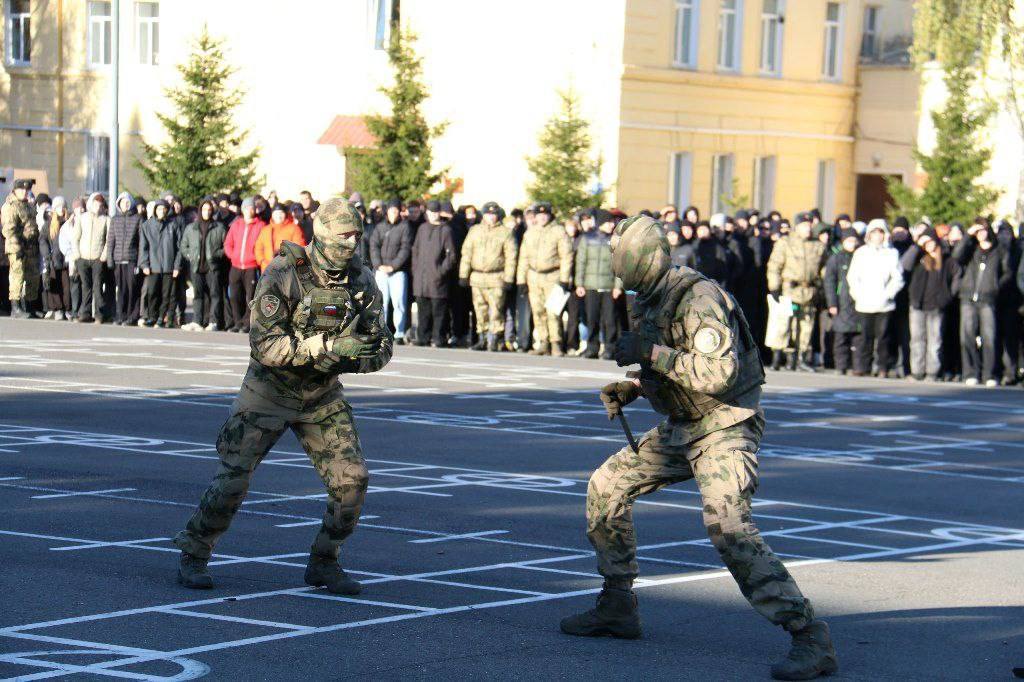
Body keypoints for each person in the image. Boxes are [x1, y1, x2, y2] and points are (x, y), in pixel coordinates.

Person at [560, 215, 836, 681]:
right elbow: (676, 371)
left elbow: (718, 375)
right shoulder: (651, 299)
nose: (617, 268)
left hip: (725, 426)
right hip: (685, 425)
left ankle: (809, 635)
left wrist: (650, 356)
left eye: (621, 259)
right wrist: (637, 388)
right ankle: (617, 604)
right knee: (606, 485)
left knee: (729, 527)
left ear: (642, 259)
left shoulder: (698, 298)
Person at [174, 198, 391, 594]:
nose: (351, 243)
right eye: (344, 235)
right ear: (323, 234)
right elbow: (266, 346)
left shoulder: (361, 280)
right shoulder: (284, 271)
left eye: (356, 235)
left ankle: (325, 560)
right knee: (232, 479)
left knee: (352, 481)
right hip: (268, 391)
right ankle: (194, 551)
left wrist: (358, 357)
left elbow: (381, 344)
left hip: (321, 394)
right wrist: (326, 347)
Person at [953, 218, 1012, 386]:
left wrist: (995, 288)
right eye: (978, 230)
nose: (981, 233)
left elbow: (1007, 273)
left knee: (989, 336)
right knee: (967, 336)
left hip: (988, 298)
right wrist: (968, 235)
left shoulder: (999, 250)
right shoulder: (971, 248)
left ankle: (990, 373)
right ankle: (971, 372)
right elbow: (957, 256)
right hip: (968, 297)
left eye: (983, 229)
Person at [766, 212, 828, 371]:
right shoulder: (785, 242)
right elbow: (774, 266)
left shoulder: (818, 245)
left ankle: (801, 358)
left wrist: (822, 288)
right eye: (805, 225)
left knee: (806, 325)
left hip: (808, 290)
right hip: (788, 289)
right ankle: (779, 357)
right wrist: (774, 287)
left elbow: (824, 268)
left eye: (810, 225)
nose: (808, 228)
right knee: (784, 324)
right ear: (797, 226)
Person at [846, 219, 903, 377]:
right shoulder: (861, 252)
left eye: (880, 232)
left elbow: (897, 277)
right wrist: (857, 294)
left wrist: (888, 294)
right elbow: (852, 276)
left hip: (885, 303)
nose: (877, 235)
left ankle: (882, 366)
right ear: (869, 235)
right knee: (865, 336)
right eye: (874, 232)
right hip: (864, 301)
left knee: (883, 337)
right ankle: (863, 365)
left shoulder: (892, 253)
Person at [459, 201, 518, 351]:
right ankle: (482, 337)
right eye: (488, 214)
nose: (491, 217)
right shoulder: (475, 230)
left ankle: (495, 338)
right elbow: (467, 253)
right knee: (480, 310)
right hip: (477, 276)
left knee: (496, 309)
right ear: (483, 215)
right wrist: (464, 274)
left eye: (494, 214)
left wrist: (509, 278)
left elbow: (511, 257)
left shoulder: (505, 232)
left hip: (497, 277)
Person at [515, 202, 573, 356]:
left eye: (544, 214)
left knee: (553, 311)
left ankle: (556, 343)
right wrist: (521, 280)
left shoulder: (558, 231)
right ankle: (543, 342)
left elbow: (566, 256)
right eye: (539, 215)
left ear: (549, 215)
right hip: (533, 276)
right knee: (538, 311)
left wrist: (564, 279)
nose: (542, 217)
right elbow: (523, 258)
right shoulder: (530, 232)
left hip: (552, 275)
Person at [901, 229, 957, 381]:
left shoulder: (946, 260)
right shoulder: (919, 256)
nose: (928, 245)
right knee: (917, 340)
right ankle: (917, 371)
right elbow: (904, 264)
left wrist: (947, 298)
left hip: (937, 306)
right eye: (925, 242)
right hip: (917, 305)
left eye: (931, 241)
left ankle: (932, 371)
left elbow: (956, 279)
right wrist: (917, 246)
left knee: (935, 341)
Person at [574, 209, 623, 359]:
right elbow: (581, 262)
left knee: (609, 319)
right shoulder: (587, 239)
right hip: (591, 286)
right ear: (601, 223)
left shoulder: (615, 240)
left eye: (612, 222)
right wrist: (579, 284)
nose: (611, 224)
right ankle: (592, 347)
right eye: (609, 222)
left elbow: (619, 265)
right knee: (592, 318)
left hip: (609, 286)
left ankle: (609, 348)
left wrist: (617, 286)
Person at [411, 200, 457, 347]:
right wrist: (415, 269)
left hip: (437, 279)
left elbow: (451, 256)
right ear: (427, 213)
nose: (433, 215)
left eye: (436, 212)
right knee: (423, 310)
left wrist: (440, 271)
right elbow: (415, 251)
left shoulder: (446, 230)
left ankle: (438, 338)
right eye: (431, 212)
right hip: (421, 278)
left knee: (439, 311)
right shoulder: (422, 229)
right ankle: (423, 337)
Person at [178, 199, 228, 331]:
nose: (207, 212)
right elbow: (183, 246)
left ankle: (213, 321)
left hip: (212, 267)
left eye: (209, 210)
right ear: (200, 211)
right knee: (198, 296)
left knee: (215, 295)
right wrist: (190, 255)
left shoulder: (219, 227)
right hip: (196, 267)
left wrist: (217, 254)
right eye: (204, 209)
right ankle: (197, 321)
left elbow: (226, 247)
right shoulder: (191, 227)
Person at [369, 199, 412, 344]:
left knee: (399, 303)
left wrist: (393, 266)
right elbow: (374, 247)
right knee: (381, 303)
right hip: (381, 271)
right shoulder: (380, 227)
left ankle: (399, 333)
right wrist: (379, 265)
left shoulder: (405, 227)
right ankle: (382, 331)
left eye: (396, 210)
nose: (393, 213)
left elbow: (405, 249)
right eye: (391, 210)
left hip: (397, 272)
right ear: (387, 211)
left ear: (399, 212)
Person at [223, 198, 266, 333]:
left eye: (251, 208)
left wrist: (255, 258)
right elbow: (228, 243)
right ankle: (237, 322)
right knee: (235, 295)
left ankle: (247, 323)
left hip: (251, 266)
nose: (249, 210)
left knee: (250, 296)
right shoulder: (236, 224)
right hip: (236, 265)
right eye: (246, 208)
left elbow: (261, 245)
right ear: (242, 209)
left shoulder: (261, 225)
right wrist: (233, 256)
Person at [823, 228, 862, 375]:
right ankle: (841, 366)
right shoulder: (836, 259)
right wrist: (832, 303)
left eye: (854, 240)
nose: (852, 243)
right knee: (841, 337)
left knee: (858, 337)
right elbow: (829, 282)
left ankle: (857, 366)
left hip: (858, 302)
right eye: (849, 240)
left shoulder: (861, 256)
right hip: (841, 302)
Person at [1, 179, 41, 319]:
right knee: (17, 275)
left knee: (32, 276)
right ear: (15, 190)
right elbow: (8, 230)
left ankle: (30, 306)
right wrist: (17, 246)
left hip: (30, 246)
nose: (25, 192)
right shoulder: (10, 206)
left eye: (27, 190)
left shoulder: (27, 205)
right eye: (22, 189)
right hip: (17, 246)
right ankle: (15, 307)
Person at [138, 200, 181, 328]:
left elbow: (179, 248)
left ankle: (161, 318)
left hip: (169, 266)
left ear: (167, 210)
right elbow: (143, 247)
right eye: (159, 209)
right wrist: (144, 264)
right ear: (155, 210)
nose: (161, 212)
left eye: (164, 209)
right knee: (152, 293)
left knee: (166, 294)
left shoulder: (173, 225)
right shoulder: (147, 225)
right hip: (153, 266)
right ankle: (152, 316)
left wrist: (177, 266)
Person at [70, 193, 110, 324]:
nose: (98, 207)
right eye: (95, 204)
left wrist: (104, 254)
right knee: (85, 286)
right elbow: (75, 237)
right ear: (91, 204)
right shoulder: (82, 218)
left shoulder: (106, 219)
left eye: (100, 205)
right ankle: (85, 313)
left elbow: (108, 239)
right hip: (83, 257)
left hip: (98, 258)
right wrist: (77, 255)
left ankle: (99, 314)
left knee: (97, 287)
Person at [106, 192, 144, 326]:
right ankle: (120, 315)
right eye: (123, 203)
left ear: (131, 204)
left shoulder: (138, 219)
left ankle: (132, 316)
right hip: (117, 260)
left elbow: (141, 243)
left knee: (132, 288)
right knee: (121, 289)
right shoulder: (115, 219)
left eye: (128, 202)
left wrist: (140, 262)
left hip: (132, 259)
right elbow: (110, 241)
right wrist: (110, 259)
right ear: (118, 204)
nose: (125, 205)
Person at [40, 196, 72, 320]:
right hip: (53, 259)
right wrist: (47, 255)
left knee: (66, 285)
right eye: (58, 207)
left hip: (66, 259)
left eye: (62, 206)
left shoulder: (69, 222)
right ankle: (57, 309)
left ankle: (67, 309)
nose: (61, 209)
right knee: (54, 284)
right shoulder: (48, 224)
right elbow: (42, 240)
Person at [255, 204, 306, 272]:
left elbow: (299, 249)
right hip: (267, 270)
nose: (278, 216)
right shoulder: (265, 230)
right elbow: (258, 248)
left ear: (285, 214)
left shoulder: (294, 228)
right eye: (276, 213)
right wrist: (262, 261)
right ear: (272, 214)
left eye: (281, 213)